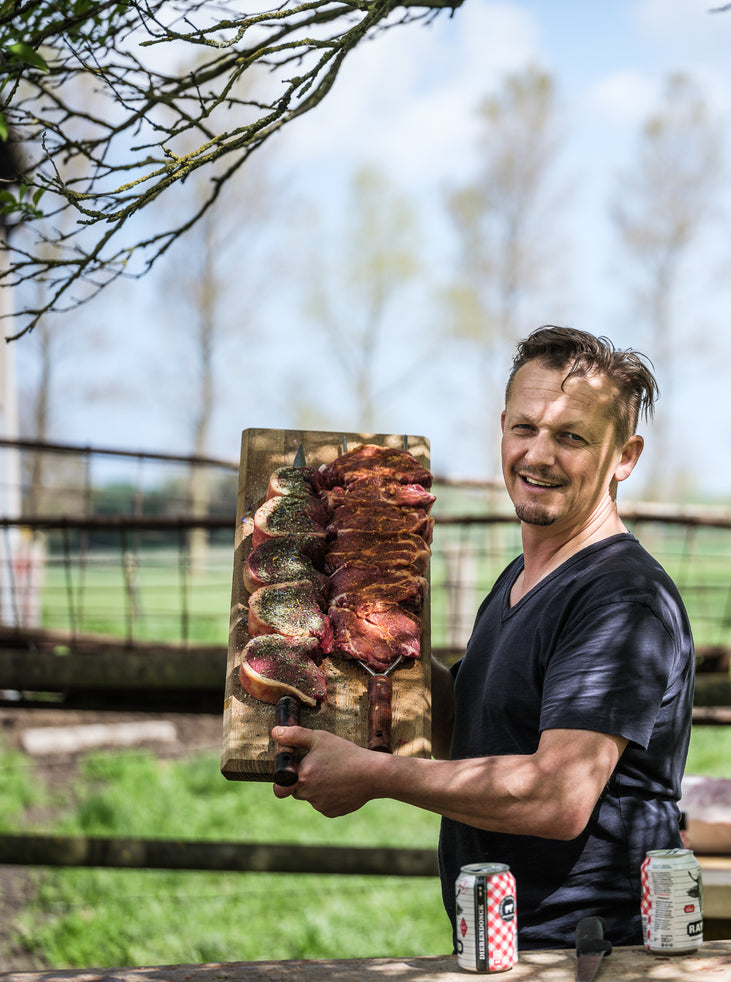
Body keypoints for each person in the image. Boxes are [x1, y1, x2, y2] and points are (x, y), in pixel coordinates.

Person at [271, 325, 695, 950]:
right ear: (502, 427)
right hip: (504, 942)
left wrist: (373, 774)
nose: (539, 455)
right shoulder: (522, 579)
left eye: (571, 437)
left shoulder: (621, 599)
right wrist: (378, 638)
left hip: (592, 954)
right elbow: (473, 731)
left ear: (624, 458)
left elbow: (557, 796)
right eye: (525, 428)